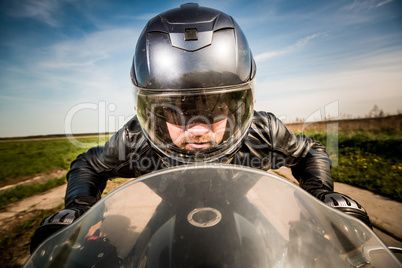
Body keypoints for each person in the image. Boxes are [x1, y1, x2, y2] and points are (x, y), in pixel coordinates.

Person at [30, 3, 371, 253]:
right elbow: (89, 164)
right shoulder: (136, 137)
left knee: (293, 251)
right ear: (150, 110)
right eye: (174, 112)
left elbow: (311, 151)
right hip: (169, 209)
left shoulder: (261, 129)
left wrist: (320, 198)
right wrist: (78, 210)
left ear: (240, 105)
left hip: (242, 204)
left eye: (215, 110)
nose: (197, 130)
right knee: (131, 257)